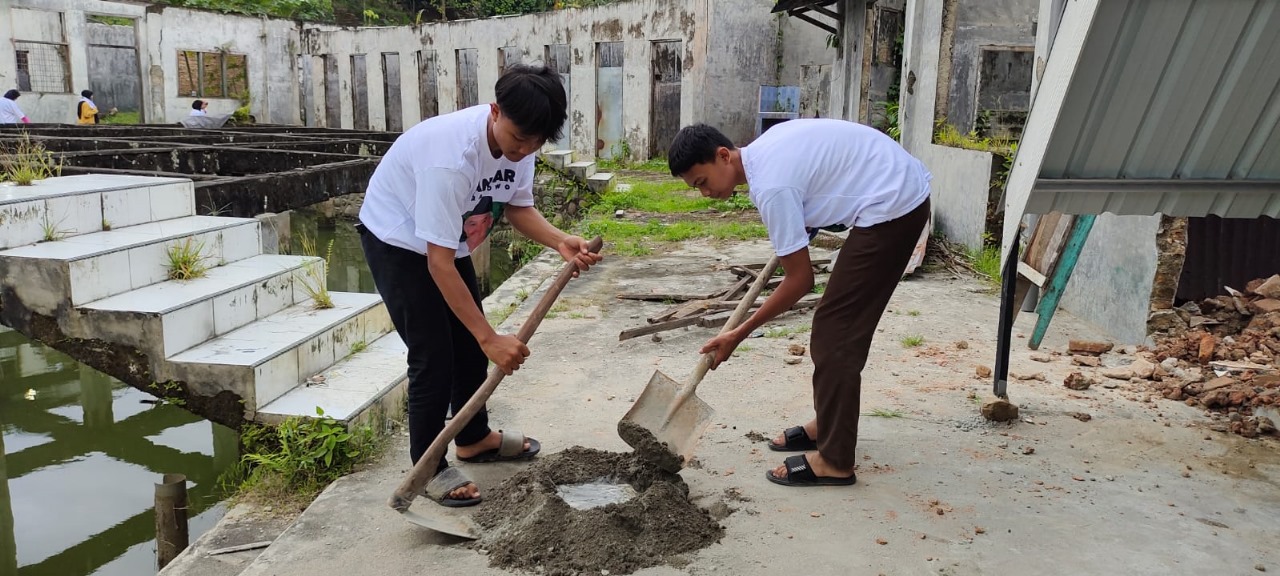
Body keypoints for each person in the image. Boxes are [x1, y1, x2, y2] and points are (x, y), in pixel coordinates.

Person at [357, 64, 602, 507]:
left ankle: (473, 438)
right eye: (518, 139)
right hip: (398, 238)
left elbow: (516, 207)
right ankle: (427, 466)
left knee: (467, 349)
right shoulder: (450, 158)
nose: (524, 150)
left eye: (535, 143)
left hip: (451, 237)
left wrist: (560, 241)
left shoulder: (522, 146)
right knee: (434, 356)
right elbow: (438, 264)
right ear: (494, 111)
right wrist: (490, 337)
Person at [667, 120, 931, 488]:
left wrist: (739, 333)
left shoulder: (772, 186)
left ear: (723, 156)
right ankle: (828, 424)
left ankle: (835, 460)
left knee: (835, 333)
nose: (704, 193)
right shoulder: (763, 153)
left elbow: (800, 280)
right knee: (836, 328)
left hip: (894, 206)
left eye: (702, 182)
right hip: (892, 185)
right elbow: (814, 186)